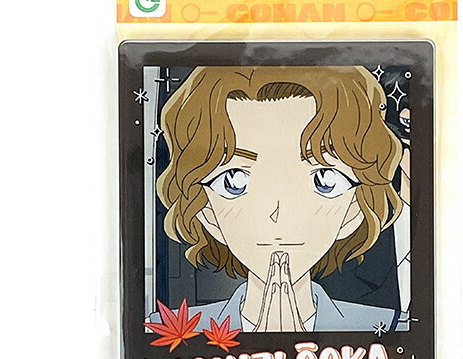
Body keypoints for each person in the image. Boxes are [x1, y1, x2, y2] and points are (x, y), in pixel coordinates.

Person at [153, 66, 407, 332]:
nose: (278, 212)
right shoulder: (166, 332)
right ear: (204, 208)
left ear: (355, 208)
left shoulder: (391, 329)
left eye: (325, 180)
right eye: (234, 180)